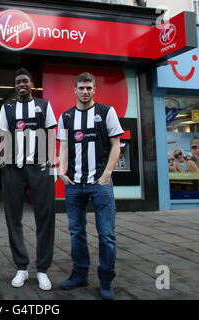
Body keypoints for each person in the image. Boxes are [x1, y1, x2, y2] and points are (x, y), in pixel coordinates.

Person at [57, 72, 123, 300]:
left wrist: (106, 175)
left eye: (89, 88)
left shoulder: (107, 112)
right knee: (77, 233)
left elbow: (116, 145)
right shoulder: (65, 116)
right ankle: (80, 274)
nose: (85, 91)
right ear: (74, 90)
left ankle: (106, 280)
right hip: (74, 184)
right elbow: (63, 147)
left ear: (94, 90)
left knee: (106, 235)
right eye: (81, 88)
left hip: (100, 184)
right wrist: (61, 172)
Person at [0, 68, 57, 291]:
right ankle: (21, 267)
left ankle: (42, 269)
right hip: (13, 169)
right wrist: (2, 162)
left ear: (32, 84)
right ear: (15, 86)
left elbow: (51, 133)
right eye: (18, 82)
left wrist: (50, 163)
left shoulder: (44, 105)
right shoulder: (8, 107)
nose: (21, 84)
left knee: (45, 218)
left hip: (40, 168)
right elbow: (1, 135)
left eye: (25, 81)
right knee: (13, 218)